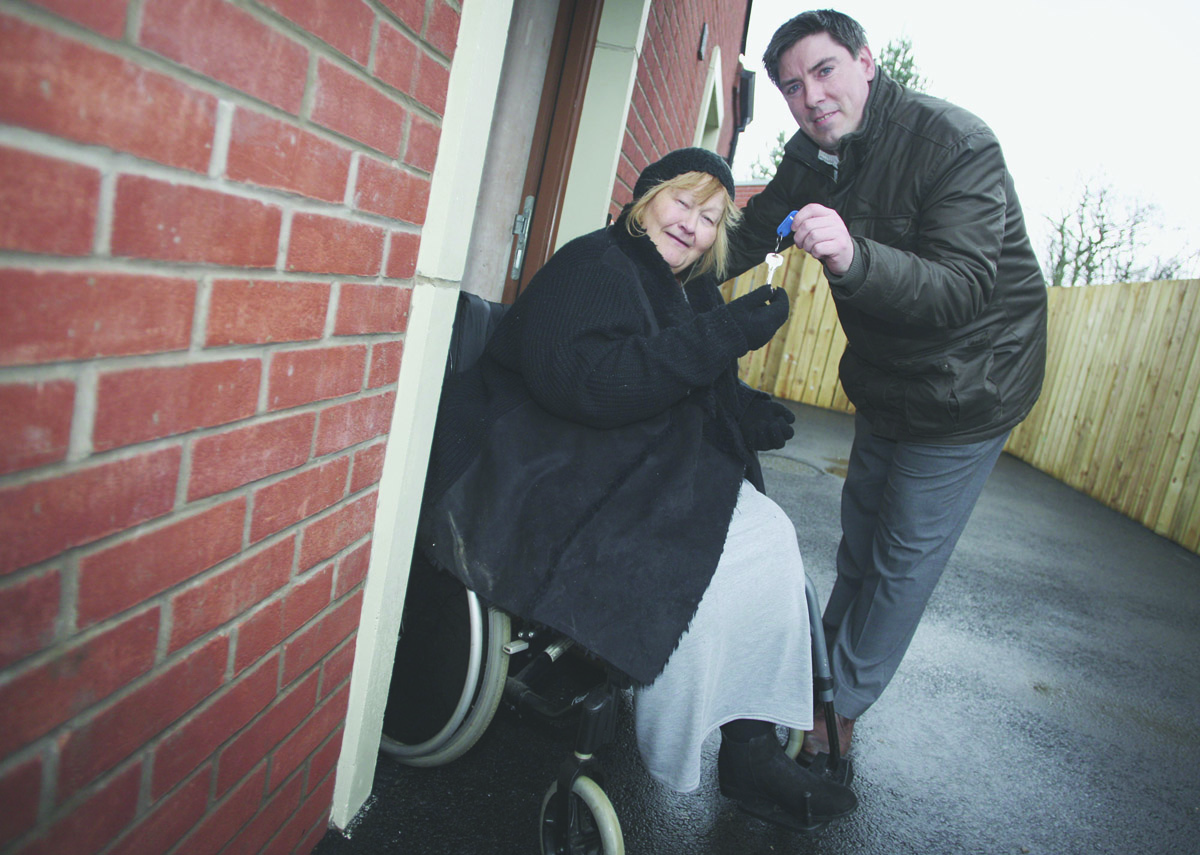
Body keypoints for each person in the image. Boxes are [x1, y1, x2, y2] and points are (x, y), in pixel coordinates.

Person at [419, 148, 857, 829]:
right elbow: (589, 382)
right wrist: (724, 334)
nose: (692, 225)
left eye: (711, 217)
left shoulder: (686, 288)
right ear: (647, 197)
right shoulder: (594, 264)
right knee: (699, 553)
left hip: (607, 449)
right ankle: (695, 740)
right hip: (534, 454)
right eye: (682, 202)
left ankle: (749, 744)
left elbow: (693, 380)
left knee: (770, 532)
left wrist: (744, 412)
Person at [725, 10, 1049, 759]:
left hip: (976, 381)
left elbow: (964, 285)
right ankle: (824, 677)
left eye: (825, 70)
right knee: (862, 531)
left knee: (902, 553)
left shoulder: (957, 145)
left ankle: (840, 714)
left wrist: (854, 258)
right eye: (792, 87)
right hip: (888, 373)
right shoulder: (812, 158)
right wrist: (664, 255)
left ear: (866, 62)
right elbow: (754, 231)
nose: (811, 97)